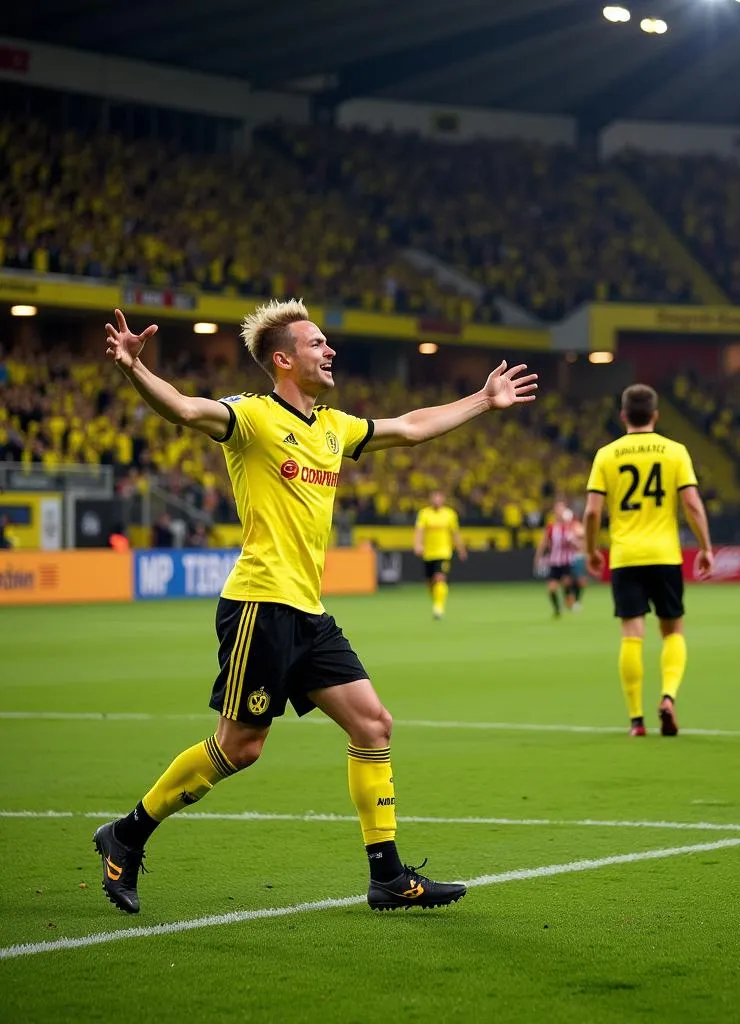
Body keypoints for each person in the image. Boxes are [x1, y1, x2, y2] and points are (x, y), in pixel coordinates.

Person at [93, 301, 537, 915]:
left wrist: (483, 400)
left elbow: (409, 426)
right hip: (259, 606)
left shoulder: (333, 427)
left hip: (307, 611)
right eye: (316, 343)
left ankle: (387, 876)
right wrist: (134, 370)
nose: (329, 351)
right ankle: (127, 833)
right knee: (240, 747)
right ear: (283, 359)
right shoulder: (251, 418)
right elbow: (184, 409)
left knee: (373, 724)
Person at [583, 384, 713, 738]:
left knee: (631, 635)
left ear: (623, 415)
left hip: (626, 556)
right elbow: (691, 504)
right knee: (673, 631)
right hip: (664, 554)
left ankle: (637, 720)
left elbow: (593, 512)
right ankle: (668, 698)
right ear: (655, 415)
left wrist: (592, 551)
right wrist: (705, 546)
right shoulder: (675, 452)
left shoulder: (607, 455)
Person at [413, 490, 466, 620]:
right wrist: (418, 544)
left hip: (443, 552)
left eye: (439, 497)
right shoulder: (424, 514)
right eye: (434, 497)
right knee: (430, 583)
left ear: (443, 499)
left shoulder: (449, 514)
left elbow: (455, 533)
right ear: (431, 499)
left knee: (439, 578)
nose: (436, 500)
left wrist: (461, 548)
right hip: (428, 553)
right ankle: (437, 602)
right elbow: (419, 531)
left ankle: (438, 607)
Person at [535, 499, 579, 617]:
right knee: (552, 589)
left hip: (566, 562)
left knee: (566, 583)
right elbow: (543, 543)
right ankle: (557, 609)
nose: (560, 512)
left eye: (562, 509)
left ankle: (570, 601)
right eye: (558, 509)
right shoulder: (551, 528)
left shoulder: (570, 527)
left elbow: (575, 543)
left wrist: (577, 546)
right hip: (554, 562)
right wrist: (538, 558)